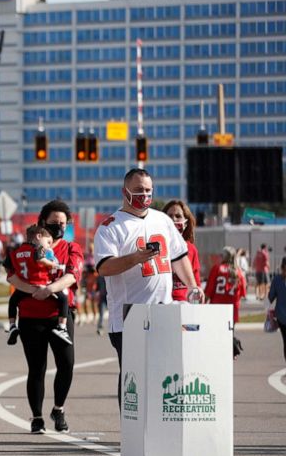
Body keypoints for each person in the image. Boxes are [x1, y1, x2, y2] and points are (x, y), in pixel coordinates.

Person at [93, 168, 201, 406]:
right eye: (139, 190)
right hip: (129, 316)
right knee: (134, 377)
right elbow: (103, 268)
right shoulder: (111, 226)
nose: (145, 195)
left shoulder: (161, 219)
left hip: (163, 311)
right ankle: (132, 432)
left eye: (149, 190)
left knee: (165, 374)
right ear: (125, 192)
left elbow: (179, 256)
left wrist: (193, 286)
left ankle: (158, 429)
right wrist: (136, 257)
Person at [5, 199, 83, 433]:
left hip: (59, 313)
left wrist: (50, 289)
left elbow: (72, 275)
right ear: (41, 223)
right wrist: (34, 291)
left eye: (62, 223)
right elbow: (11, 275)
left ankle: (58, 409)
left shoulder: (71, 248)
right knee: (36, 368)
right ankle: (37, 417)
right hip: (30, 315)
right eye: (53, 223)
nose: (58, 227)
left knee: (67, 364)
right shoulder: (25, 248)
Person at [6, 225, 71, 346]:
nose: (49, 246)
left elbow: (7, 265)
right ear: (38, 236)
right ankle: (62, 327)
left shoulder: (15, 250)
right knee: (63, 299)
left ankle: (12, 325)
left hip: (24, 287)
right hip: (42, 284)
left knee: (13, 301)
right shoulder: (37, 248)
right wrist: (53, 265)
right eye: (48, 242)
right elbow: (40, 259)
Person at [162, 200, 201, 302]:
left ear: (186, 223)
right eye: (169, 216)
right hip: (161, 305)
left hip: (185, 306)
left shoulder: (191, 249)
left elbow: (196, 283)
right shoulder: (156, 247)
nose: (173, 219)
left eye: (178, 216)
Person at [205, 246, 247, 324]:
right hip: (232, 309)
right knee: (230, 334)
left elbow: (209, 290)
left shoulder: (216, 268)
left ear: (224, 256)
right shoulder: (239, 272)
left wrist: (203, 304)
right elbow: (242, 293)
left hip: (216, 307)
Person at [268, 257, 286, 364]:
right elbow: (270, 297)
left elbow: (270, 297)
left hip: (281, 316)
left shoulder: (277, 280)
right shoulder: (277, 280)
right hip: (282, 317)